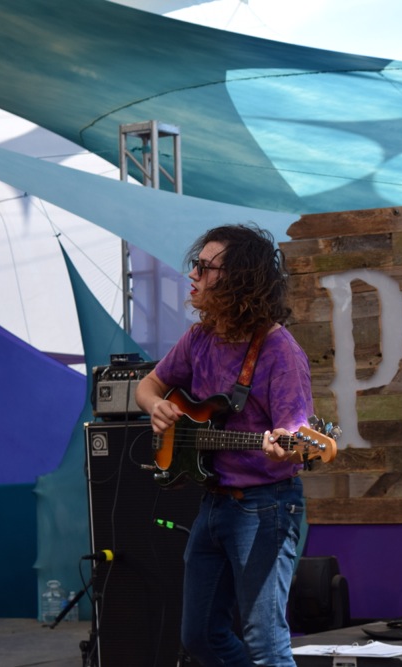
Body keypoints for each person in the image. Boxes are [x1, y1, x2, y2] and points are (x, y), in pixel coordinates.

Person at [136, 223, 313, 667]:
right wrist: (156, 406)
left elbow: (295, 432)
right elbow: (148, 386)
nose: (191, 275)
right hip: (213, 505)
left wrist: (284, 445)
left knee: (266, 642)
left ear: (238, 281)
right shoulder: (199, 339)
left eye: (203, 267)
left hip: (266, 507)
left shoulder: (280, 351)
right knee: (200, 638)